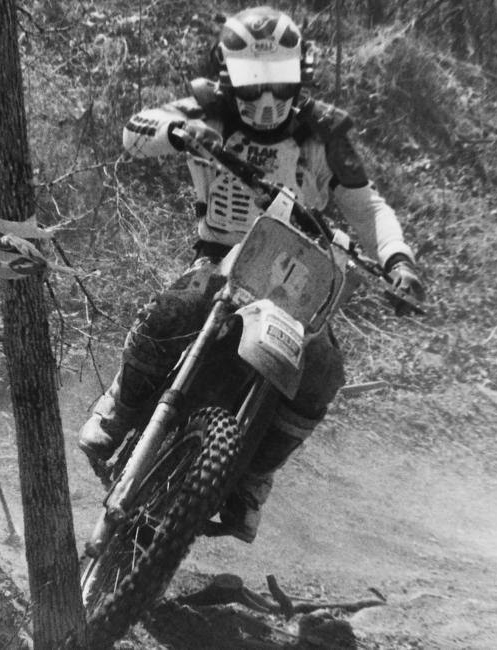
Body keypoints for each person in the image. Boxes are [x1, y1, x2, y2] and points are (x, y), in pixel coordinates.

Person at [79, 5, 425, 543]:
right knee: (177, 306)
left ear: (300, 76)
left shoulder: (325, 133)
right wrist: (177, 133)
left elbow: (368, 207)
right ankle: (121, 405)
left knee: (324, 371)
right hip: (219, 260)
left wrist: (398, 261)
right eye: (251, 85)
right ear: (227, 77)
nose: (265, 100)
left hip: (299, 276)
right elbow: (134, 131)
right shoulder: (205, 111)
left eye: (278, 84)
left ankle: (255, 476)